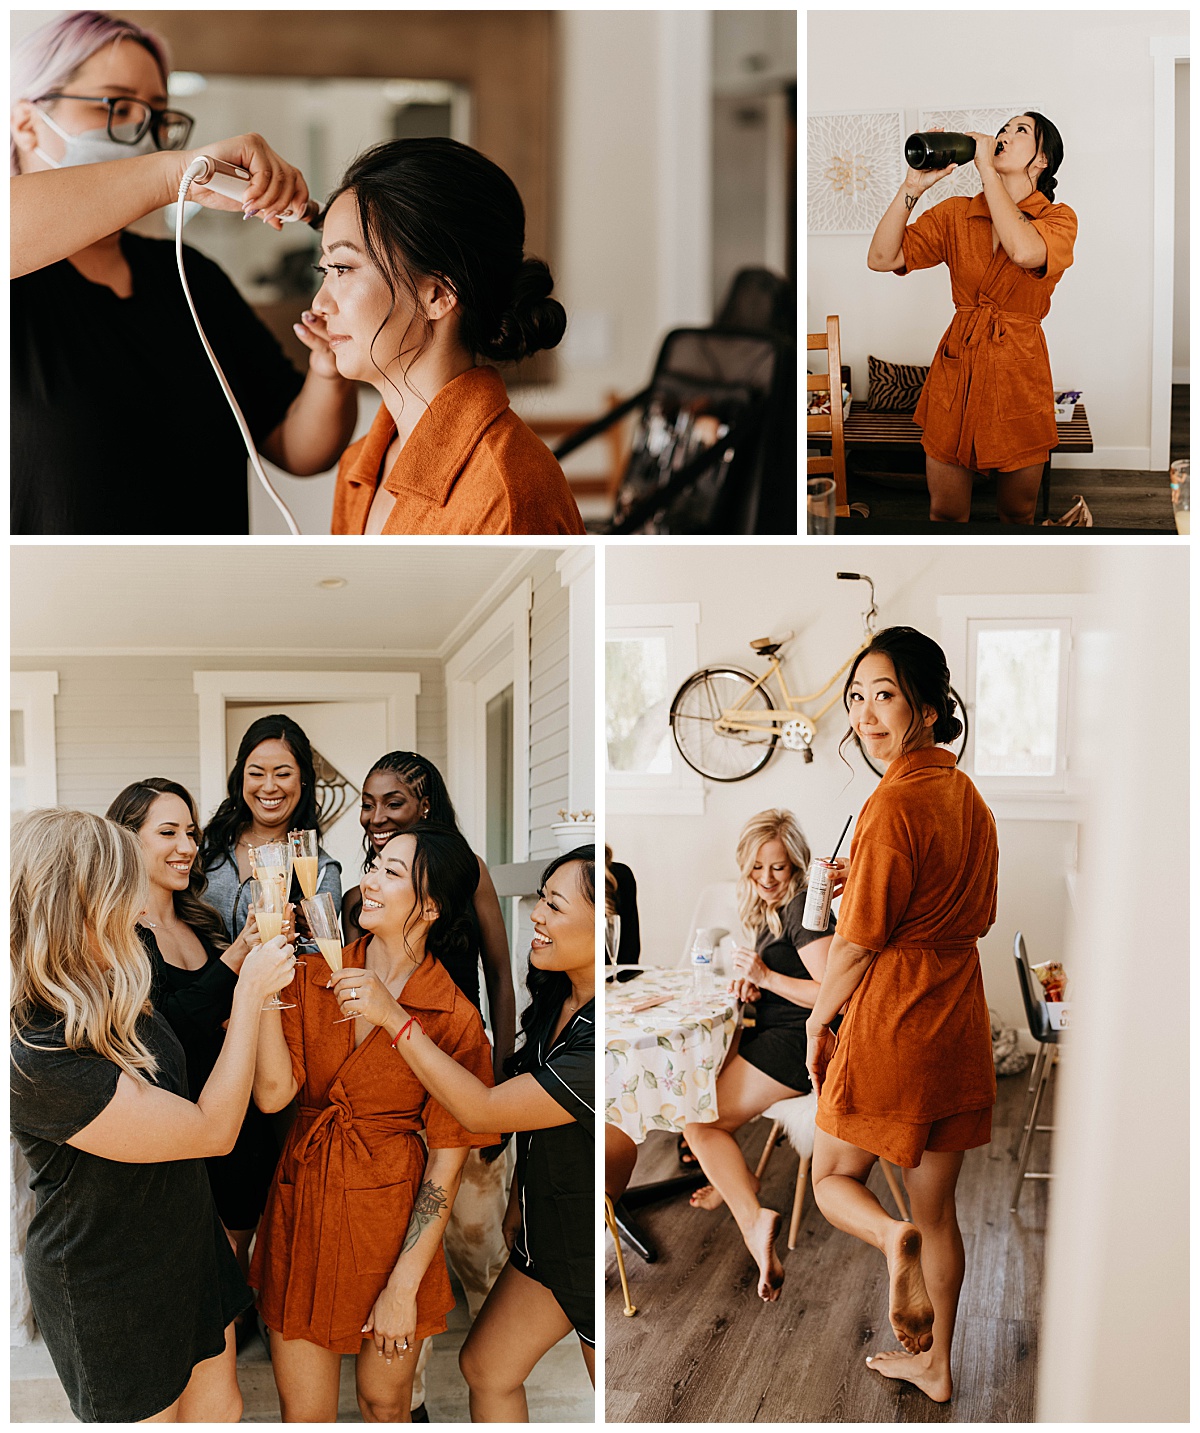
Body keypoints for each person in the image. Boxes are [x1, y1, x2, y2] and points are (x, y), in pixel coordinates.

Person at [10, 10, 358, 535]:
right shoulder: (18, 286)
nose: (141, 131)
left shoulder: (190, 279)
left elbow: (298, 448)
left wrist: (330, 371)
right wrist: (179, 173)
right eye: (116, 105)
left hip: (208, 606)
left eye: (155, 113)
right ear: (26, 121)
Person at [10, 807, 296, 1423]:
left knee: (220, 1412)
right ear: (78, 904)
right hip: (109, 1278)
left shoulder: (121, 986)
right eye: (124, 893)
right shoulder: (40, 1049)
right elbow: (211, 1132)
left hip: (186, 1245)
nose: (141, 910)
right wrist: (249, 993)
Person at [330, 846, 595, 1420]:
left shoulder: (600, 1035)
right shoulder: (557, 1000)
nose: (535, 916)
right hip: (544, 1240)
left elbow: (483, 1111)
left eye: (552, 904)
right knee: (485, 1367)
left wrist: (394, 1018)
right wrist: (520, 1206)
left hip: (584, 1244)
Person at [806, 626, 999, 1404]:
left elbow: (854, 948)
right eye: (855, 698)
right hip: (957, 1017)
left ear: (925, 702)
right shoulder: (969, 796)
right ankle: (938, 1364)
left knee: (829, 1176)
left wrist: (820, 1021)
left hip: (893, 1021)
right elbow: (971, 909)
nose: (865, 714)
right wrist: (876, 879)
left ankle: (890, 1238)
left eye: (882, 694)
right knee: (940, 1209)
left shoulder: (888, 802)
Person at [249, 824, 499, 1423]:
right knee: (303, 1412)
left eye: (392, 871)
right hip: (304, 1203)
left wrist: (403, 1287)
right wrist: (265, 978)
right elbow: (274, 1095)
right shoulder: (312, 977)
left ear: (431, 905)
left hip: (391, 1221)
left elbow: (447, 1161)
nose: (369, 880)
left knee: (384, 1404)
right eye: (374, 864)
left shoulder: (455, 1019)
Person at [339, 749, 518, 1418]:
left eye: (395, 801)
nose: (378, 815)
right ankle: (408, 1401)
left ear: (426, 804)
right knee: (404, 1252)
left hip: (460, 1066)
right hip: (390, 1090)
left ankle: (499, 1369)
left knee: (476, 1240)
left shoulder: (462, 870)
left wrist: (499, 1077)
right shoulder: (363, 894)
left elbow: (500, 972)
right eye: (369, 801)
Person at [316, 137, 586, 535]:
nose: (320, 303)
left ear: (438, 295)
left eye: (343, 268)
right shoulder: (358, 469)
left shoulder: (507, 492)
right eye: (324, 270)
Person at [106, 777, 282, 1327]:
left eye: (191, 831)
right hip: (183, 1131)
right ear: (127, 839)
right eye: (167, 831)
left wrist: (245, 947)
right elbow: (165, 1033)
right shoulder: (115, 937)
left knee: (232, 1259)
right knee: (193, 1278)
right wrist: (238, 964)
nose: (186, 845)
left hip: (241, 1121)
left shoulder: (202, 923)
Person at [866, 114, 1075, 525]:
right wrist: (913, 187)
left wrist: (985, 172)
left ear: (1043, 159)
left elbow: (1025, 252)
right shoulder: (956, 215)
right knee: (944, 512)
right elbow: (881, 258)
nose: (1004, 135)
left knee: (1018, 513)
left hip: (1019, 373)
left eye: (1020, 131)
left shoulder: (1059, 219)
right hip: (956, 371)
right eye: (1003, 129)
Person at [683, 810, 834, 1301]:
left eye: (779, 868)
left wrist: (767, 980)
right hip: (776, 1031)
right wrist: (758, 989)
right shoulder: (778, 909)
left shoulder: (802, 914)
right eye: (757, 869)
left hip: (797, 1047)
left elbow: (834, 993)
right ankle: (736, 1186)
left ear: (797, 865)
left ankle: (751, 1217)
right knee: (702, 1098)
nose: (767, 879)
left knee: (699, 1123)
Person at [199, 713, 342, 945]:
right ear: (241, 777)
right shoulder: (206, 845)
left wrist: (292, 939)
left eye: (283, 774)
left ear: (303, 779)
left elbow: (318, 959)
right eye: (256, 774)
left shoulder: (320, 872)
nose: (268, 787)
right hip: (201, 981)